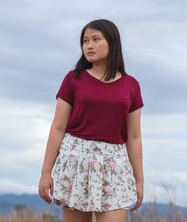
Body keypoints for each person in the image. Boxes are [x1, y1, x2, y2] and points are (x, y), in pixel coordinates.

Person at [38, 19, 144, 222]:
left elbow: (134, 136)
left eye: (96, 39)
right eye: (85, 40)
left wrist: (139, 180)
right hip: (76, 162)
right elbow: (58, 127)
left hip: (114, 165)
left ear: (112, 43)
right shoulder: (73, 79)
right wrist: (46, 172)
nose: (89, 45)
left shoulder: (131, 85)